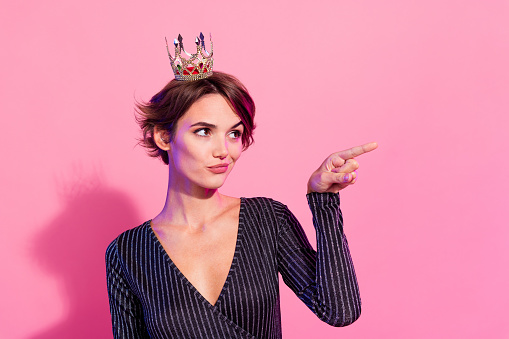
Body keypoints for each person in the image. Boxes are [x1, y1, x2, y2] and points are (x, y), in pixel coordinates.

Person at [106, 33, 377, 339]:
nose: (224, 150)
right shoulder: (127, 253)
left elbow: (339, 311)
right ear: (164, 137)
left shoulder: (267, 220)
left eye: (234, 134)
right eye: (204, 131)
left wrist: (324, 203)